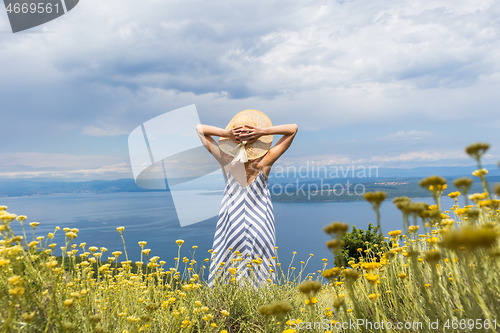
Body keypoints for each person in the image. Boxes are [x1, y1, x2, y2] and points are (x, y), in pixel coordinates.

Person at [196, 109, 298, 286]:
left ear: (234, 140)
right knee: (262, 272)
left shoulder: (227, 161)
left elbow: (200, 129)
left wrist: (226, 133)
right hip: (261, 225)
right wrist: (263, 131)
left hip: (232, 225)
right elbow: (293, 129)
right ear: (258, 141)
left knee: (229, 273)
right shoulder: (264, 162)